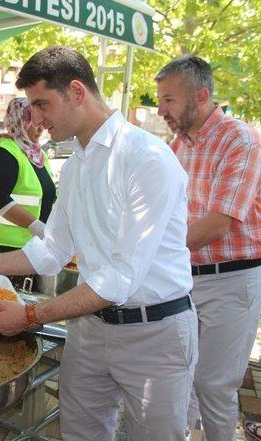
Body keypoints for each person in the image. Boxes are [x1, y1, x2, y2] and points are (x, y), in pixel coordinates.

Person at [0, 46, 198, 441]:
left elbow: (119, 279)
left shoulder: (146, 158)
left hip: (154, 332)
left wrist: (30, 316)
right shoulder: (75, 165)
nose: (34, 118)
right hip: (89, 329)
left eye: (41, 104)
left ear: (76, 91)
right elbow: (52, 250)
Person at [156, 55, 261, 440]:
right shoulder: (176, 146)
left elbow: (222, 221)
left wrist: (152, 249)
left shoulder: (241, 138)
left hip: (232, 281)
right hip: (186, 277)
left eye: (168, 100)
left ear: (200, 96)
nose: (160, 109)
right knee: (181, 378)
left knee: (214, 387)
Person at [0, 97, 56, 291]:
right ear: (19, 121)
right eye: (34, 123)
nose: (40, 128)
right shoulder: (2, 153)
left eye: (41, 123)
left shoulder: (38, 156)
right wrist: (36, 226)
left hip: (32, 251)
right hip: (0, 253)